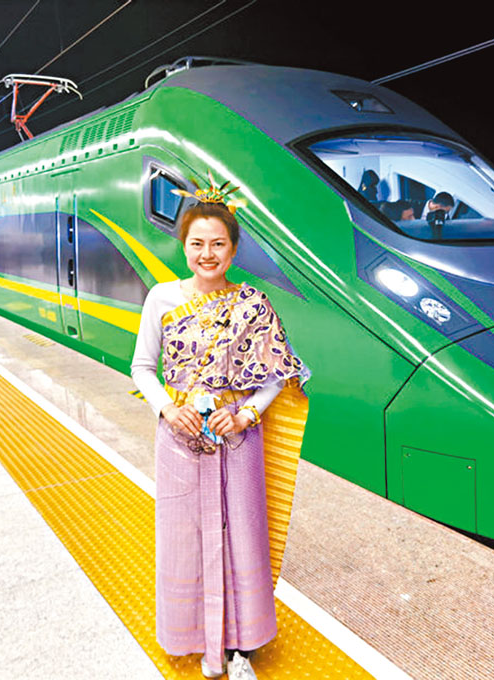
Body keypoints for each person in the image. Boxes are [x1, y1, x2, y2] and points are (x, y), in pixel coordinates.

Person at [131, 179, 309, 680]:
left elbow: (278, 376)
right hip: (180, 438)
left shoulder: (253, 304)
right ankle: (194, 637)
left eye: (218, 244)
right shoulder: (162, 299)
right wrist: (168, 409)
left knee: (243, 536)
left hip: (237, 438)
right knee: (184, 537)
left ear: (232, 249)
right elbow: (141, 367)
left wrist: (246, 414)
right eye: (197, 243)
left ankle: (240, 643)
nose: (206, 254)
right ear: (184, 245)